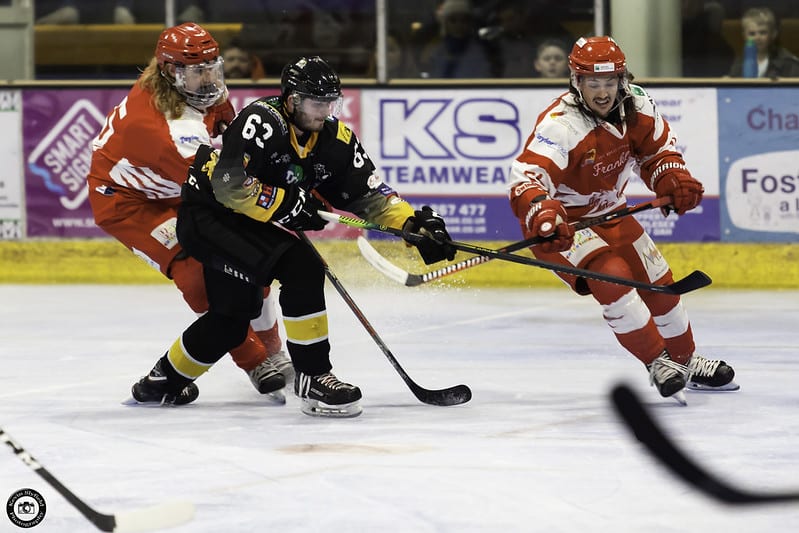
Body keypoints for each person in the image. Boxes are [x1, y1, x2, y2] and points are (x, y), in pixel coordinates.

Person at [130, 55, 455, 418]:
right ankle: (314, 377)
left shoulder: (335, 139)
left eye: (331, 103)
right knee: (302, 267)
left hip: (246, 223)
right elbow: (230, 187)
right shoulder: (261, 121)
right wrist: (288, 204)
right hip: (210, 217)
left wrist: (411, 226)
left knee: (231, 320)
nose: (326, 112)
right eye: (318, 103)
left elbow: (370, 196)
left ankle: (161, 382)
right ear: (292, 100)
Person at [507, 36, 738, 401]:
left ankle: (685, 361)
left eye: (610, 81)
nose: (602, 92)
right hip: (564, 226)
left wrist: (671, 178)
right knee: (613, 279)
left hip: (611, 212)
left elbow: (658, 152)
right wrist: (543, 212)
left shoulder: (638, 105)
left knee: (660, 287)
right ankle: (657, 361)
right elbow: (527, 179)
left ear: (622, 79)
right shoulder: (561, 125)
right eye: (593, 83)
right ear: (577, 82)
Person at [87, 22, 293, 404]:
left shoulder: (191, 84)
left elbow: (223, 117)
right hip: (130, 203)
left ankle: (272, 349)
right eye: (200, 71)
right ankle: (254, 361)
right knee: (199, 277)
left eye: (214, 67)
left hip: (177, 185)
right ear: (171, 70)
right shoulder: (166, 131)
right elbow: (222, 188)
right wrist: (279, 201)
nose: (211, 79)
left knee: (250, 258)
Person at [418, 0, 492, 78]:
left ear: (470, 23)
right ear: (445, 23)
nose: (459, 25)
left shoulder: (479, 53)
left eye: (464, 20)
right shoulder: (434, 51)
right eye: (453, 20)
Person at [727, 7, 799, 78]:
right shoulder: (739, 63)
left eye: (762, 33)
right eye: (752, 34)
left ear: (773, 34)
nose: (757, 38)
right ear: (744, 36)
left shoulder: (788, 62)